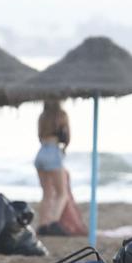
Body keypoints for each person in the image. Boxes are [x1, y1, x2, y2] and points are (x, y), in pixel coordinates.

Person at [32, 100, 86, 237]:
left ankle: (43, 224)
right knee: (62, 193)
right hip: (53, 151)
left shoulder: (42, 117)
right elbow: (67, 136)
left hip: (41, 152)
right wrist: (65, 147)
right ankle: (53, 223)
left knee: (47, 193)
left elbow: (39, 136)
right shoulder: (61, 115)